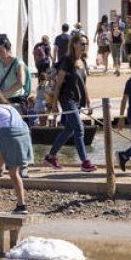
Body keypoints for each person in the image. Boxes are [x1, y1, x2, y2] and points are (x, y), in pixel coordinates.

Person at [44, 34, 96, 172]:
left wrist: (89, 101)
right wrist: (54, 105)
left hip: (78, 100)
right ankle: (85, 162)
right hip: (67, 99)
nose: (85, 46)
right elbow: (59, 84)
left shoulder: (82, 62)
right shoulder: (67, 61)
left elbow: (83, 84)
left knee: (70, 129)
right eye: (82, 43)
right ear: (74, 44)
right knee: (79, 129)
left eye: (86, 43)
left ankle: (51, 156)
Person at [0, 35, 28, 114]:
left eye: (1, 51)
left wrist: (5, 94)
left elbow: (21, 83)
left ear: (8, 49)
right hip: (1, 100)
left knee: (21, 123)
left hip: (16, 98)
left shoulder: (18, 63)